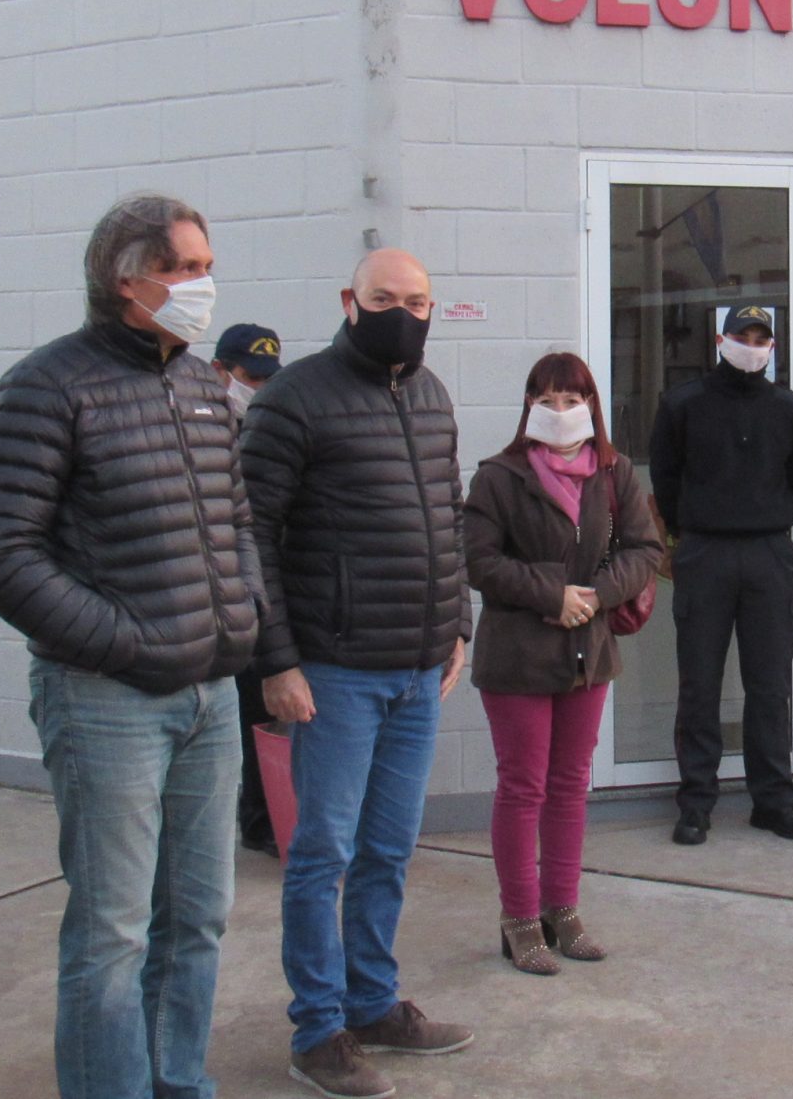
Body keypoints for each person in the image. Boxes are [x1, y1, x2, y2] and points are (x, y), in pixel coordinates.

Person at [0, 194, 266, 1099]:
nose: (201, 286)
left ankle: (179, 1081)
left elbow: (237, 517)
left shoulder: (205, 384)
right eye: (182, 269)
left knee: (198, 916)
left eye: (206, 266)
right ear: (124, 278)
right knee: (113, 933)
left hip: (210, 693)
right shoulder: (47, 386)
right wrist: (123, 641)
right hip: (107, 698)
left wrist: (242, 612)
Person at [242, 247, 474, 1099]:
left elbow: (448, 513)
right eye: (385, 297)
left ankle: (373, 1003)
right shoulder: (294, 399)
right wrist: (276, 659)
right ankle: (319, 1030)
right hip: (332, 671)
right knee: (322, 853)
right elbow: (250, 535)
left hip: (418, 670)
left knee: (388, 848)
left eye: (417, 299)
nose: (402, 312)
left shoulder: (433, 393)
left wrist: (459, 625)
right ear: (349, 299)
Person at [463, 352, 665, 971]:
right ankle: (520, 917)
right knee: (523, 786)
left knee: (570, 787)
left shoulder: (614, 473)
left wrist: (596, 597)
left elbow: (644, 549)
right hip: (519, 655)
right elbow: (479, 560)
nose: (559, 411)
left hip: (587, 652)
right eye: (545, 400)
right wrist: (553, 594)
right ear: (527, 407)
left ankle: (564, 909)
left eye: (571, 400)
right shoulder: (498, 476)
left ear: (592, 406)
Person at [649, 304, 793, 846]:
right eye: (742, 335)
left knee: (769, 685)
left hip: (769, 553)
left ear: (773, 347)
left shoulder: (791, 410)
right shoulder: (682, 405)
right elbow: (666, 479)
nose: (751, 344)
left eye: (761, 337)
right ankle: (696, 802)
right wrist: (689, 532)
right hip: (705, 553)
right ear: (720, 340)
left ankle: (773, 801)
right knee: (699, 683)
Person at [215, 322, 287, 856]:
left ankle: (266, 816)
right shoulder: (204, 427)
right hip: (219, 592)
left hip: (268, 588)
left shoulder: (276, 426)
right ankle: (253, 816)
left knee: (266, 706)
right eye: (248, 377)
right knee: (244, 710)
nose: (259, 388)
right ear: (221, 372)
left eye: (267, 379)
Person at [215, 322, 283, 410]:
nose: (262, 386)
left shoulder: (281, 420)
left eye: (270, 378)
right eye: (254, 377)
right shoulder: (196, 417)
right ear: (217, 369)